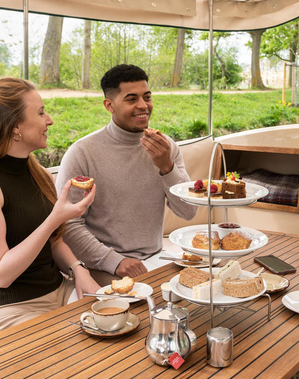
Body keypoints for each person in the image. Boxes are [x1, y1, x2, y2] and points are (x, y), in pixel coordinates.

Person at [0, 77, 100, 340]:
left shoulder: (36, 171)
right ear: (15, 127)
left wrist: (79, 270)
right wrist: (54, 219)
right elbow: (0, 275)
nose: (49, 120)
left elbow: (54, 243)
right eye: (41, 112)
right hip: (10, 309)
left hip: (58, 292)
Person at [56, 64, 197, 285]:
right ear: (109, 105)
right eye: (132, 99)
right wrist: (115, 261)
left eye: (147, 97)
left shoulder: (166, 147)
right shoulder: (82, 152)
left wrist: (166, 167)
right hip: (102, 266)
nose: (143, 106)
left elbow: (188, 211)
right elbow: (67, 225)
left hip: (156, 259)